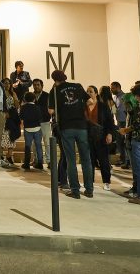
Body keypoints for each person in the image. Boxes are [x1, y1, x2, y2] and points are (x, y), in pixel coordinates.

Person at [49, 69, 93, 199]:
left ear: (54, 79)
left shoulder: (54, 91)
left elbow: (50, 111)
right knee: (86, 159)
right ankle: (89, 190)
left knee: (71, 160)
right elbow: (90, 101)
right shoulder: (77, 86)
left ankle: (75, 190)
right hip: (81, 126)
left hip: (66, 127)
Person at [87, 85, 117, 191]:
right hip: (88, 136)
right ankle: (89, 181)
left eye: (91, 91)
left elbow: (110, 121)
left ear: (96, 93)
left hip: (101, 135)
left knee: (103, 160)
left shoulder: (102, 106)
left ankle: (106, 182)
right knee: (89, 160)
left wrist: (109, 134)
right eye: (87, 91)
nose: (89, 93)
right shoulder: (84, 106)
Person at [19, 92, 43, 170]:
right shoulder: (37, 107)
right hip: (37, 128)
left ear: (25, 99)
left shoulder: (23, 107)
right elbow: (40, 117)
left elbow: (21, 117)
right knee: (38, 146)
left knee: (28, 146)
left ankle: (26, 164)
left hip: (27, 128)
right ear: (34, 99)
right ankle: (40, 163)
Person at [32, 78, 52, 168]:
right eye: (34, 85)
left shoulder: (47, 96)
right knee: (35, 143)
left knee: (47, 142)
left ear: (42, 86)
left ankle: (49, 161)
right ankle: (37, 160)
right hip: (34, 123)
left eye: (38, 85)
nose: (36, 86)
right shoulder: (30, 96)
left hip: (45, 122)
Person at [111, 81, 130, 169]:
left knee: (125, 142)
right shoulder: (114, 98)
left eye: (113, 88)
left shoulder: (125, 96)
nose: (111, 90)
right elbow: (115, 110)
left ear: (118, 87)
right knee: (119, 142)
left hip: (125, 122)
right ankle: (122, 159)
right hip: (119, 122)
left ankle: (127, 161)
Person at [2, 102, 21, 167]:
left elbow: (17, 105)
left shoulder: (14, 95)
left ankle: (9, 156)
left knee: (11, 138)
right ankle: (1, 157)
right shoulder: (2, 95)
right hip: (3, 117)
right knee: (3, 139)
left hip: (12, 118)